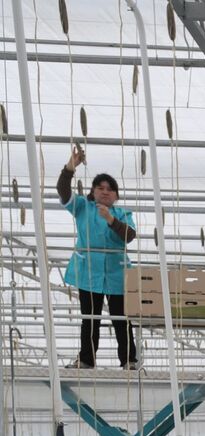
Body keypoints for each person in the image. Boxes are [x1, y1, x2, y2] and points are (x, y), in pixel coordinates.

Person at [56, 144, 139, 370]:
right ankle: (86, 360)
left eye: (110, 189)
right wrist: (70, 168)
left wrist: (112, 220)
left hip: (116, 274)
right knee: (90, 318)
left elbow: (129, 235)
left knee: (122, 319)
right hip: (89, 271)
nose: (105, 191)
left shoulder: (122, 214)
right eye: (100, 188)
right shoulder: (83, 207)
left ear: (116, 196)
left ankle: (129, 361)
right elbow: (63, 191)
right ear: (92, 192)